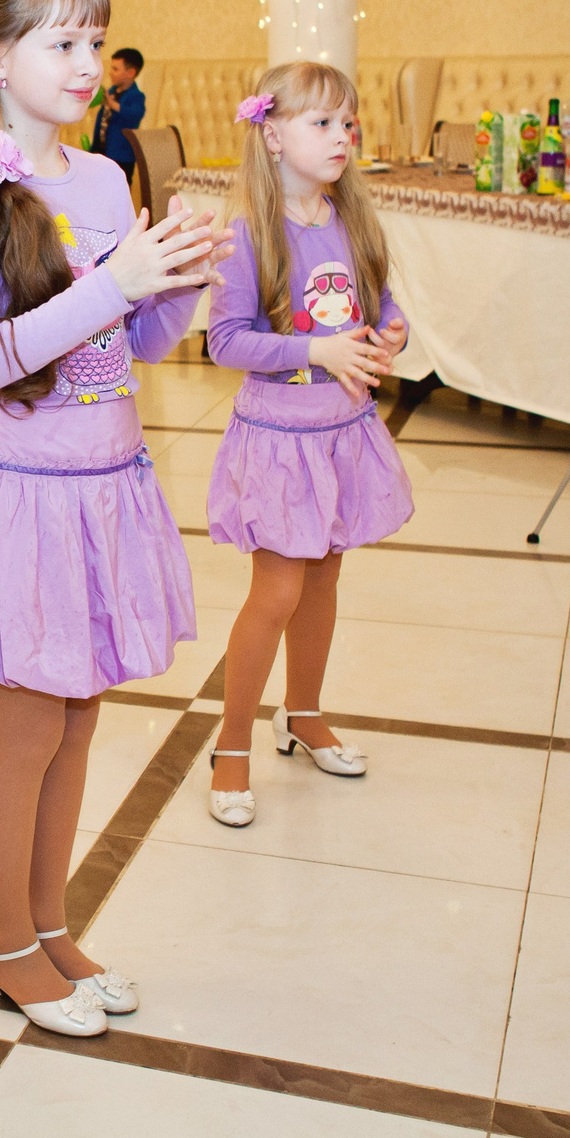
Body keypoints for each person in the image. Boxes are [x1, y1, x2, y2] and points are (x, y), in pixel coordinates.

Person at [0, 0, 223, 1038]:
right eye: (62, 42)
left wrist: (175, 284)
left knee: (79, 721)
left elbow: (127, 340)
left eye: (96, 41)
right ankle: (3, 940)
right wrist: (112, 282)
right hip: (25, 488)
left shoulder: (101, 178)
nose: (87, 62)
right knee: (27, 729)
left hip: (107, 480)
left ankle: (49, 924)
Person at [201, 63, 415, 827]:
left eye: (347, 123)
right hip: (280, 439)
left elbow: (381, 305)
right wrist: (316, 354)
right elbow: (226, 342)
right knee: (278, 592)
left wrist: (391, 332)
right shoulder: (248, 234)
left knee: (324, 582)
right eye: (321, 123)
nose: (341, 138)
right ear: (272, 133)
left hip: (341, 431)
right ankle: (230, 745)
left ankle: (302, 712)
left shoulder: (351, 220)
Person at [90, 47, 147, 185]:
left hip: (121, 157)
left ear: (131, 72)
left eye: (115, 69)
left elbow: (136, 113)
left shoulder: (136, 96)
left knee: (119, 190)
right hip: (102, 152)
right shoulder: (111, 91)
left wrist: (113, 105)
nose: (110, 73)